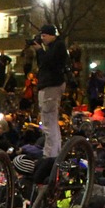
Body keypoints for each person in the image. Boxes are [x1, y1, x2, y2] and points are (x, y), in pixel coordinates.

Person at [34, 24, 68, 158]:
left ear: (51, 35)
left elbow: (49, 62)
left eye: (44, 36)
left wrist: (39, 51)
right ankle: (54, 151)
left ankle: (50, 154)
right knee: (50, 121)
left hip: (51, 86)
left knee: (49, 122)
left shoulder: (58, 46)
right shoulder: (55, 47)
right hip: (50, 85)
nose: (43, 39)